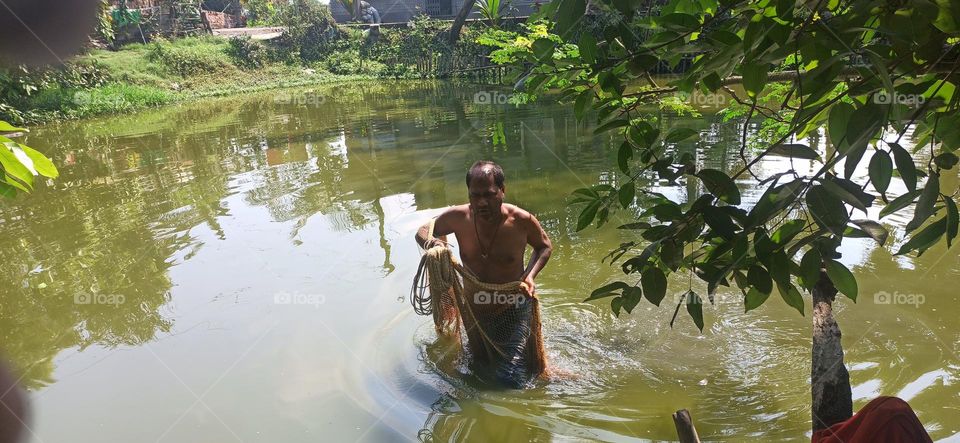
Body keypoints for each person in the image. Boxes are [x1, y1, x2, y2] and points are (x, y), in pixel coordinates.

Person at [414, 160, 552, 387]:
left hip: (513, 307)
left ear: (502, 190)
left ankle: (542, 381)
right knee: (478, 367)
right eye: (475, 195)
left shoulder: (522, 220)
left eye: (489, 194)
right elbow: (423, 231)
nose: (481, 202)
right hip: (475, 310)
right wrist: (435, 245)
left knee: (510, 379)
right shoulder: (459, 217)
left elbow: (544, 247)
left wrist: (529, 276)